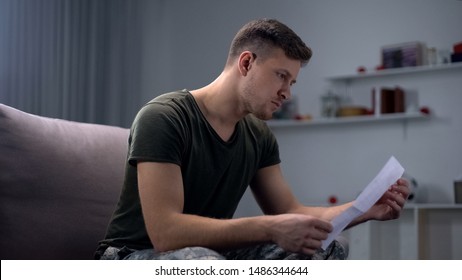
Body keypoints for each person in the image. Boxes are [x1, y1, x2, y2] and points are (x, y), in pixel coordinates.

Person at [95, 18, 409, 260]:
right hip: (130, 256)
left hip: (209, 254)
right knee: (202, 264)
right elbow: (165, 232)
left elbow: (290, 210)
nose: (287, 92)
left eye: (293, 81)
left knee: (325, 252)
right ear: (246, 63)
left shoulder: (259, 136)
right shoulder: (164, 117)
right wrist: (270, 228)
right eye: (281, 76)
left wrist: (363, 209)